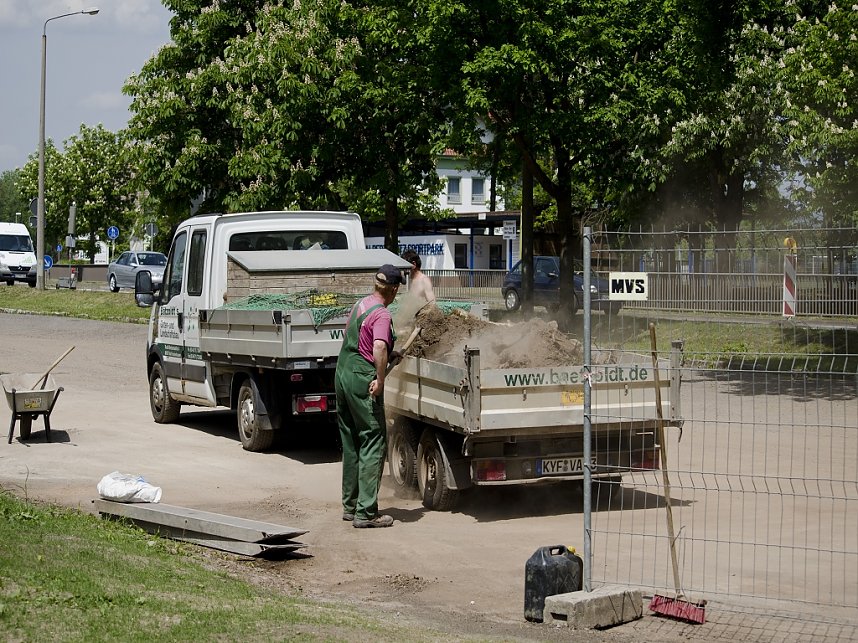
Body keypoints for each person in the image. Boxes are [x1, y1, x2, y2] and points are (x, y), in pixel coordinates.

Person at [334, 264, 403, 528]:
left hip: (343, 373)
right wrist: (381, 379)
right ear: (394, 289)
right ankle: (366, 513)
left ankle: (350, 506)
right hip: (362, 378)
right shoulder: (383, 315)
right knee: (373, 437)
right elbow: (377, 346)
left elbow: (357, 340)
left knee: (351, 439)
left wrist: (388, 357)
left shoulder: (361, 305)